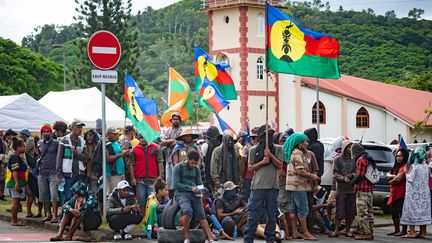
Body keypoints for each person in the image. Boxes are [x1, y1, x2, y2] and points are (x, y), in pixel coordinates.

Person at [243, 125, 283, 243]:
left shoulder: (278, 149)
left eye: (270, 134)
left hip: (272, 187)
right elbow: (250, 168)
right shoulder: (253, 150)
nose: (267, 137)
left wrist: (270, 156)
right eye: (265, 135)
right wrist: (263, 162)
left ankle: (270, 239)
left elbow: (280, 165)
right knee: (254, 215)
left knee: (271, 215)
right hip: (257, 187)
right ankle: (248, 239)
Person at [172, 150, 215, 243]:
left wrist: (201, 192)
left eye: (195, 163)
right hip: (182, 194)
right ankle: (187, 238)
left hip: (195, 194)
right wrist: (190, 188)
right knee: (187, 210)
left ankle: (210, 239)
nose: (193, 165)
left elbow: (200, 183)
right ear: (187, 159)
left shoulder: (196, 169)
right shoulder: (178, 167)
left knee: (201, 215)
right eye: (192, 163)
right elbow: (176, 184)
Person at [284, 132, 319, 240]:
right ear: (299, 143)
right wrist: (312, 176)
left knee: (293, 210)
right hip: (299, 186)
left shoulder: (291, 152)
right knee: (303, 209)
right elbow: (300, 171)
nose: (307, 143)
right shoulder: (298, 154)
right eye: (305, 141)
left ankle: (295, 232)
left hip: (291, 186)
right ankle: (305, 232)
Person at [401, 148, 431, 239]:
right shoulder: (426, 166)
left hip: (413, 194)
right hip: (424, 193)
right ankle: (422, 232)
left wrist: (406, 172)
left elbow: (410, 179)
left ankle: (412, 232)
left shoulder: (414, 166)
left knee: (412, 211)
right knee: (422, 212)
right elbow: (429, 176)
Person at [129, 133, 163, 213]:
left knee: (152, 200)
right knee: (141, 201)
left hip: (153, 178)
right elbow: (131, 164)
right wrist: (133, 178)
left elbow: (160, 162)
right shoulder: (134, 150)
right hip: (139, 179)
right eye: (141, 138)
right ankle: (143, 218)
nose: (143, 139)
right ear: (138, 139)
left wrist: (160, 175)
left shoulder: (156, 147)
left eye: (145, 137)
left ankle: (151, 218)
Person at [56, 120, 88, 204]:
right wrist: (59, 173)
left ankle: (76, 216)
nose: (80, 129)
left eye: (81, 127)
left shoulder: (82, 141)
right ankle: (65, 216)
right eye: (78, 127)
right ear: (72, 128)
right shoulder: (64, 140)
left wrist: (75, 153)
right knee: (68, 197)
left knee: (79, 198)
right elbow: (59, 157)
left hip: (79, 173)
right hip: (68, 174)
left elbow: (85, 157)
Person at [330, 140, 356, 238]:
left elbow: (357, 172)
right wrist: (342, 178)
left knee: (351, 210)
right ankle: (336, 230)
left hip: (352, 189)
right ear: (344, 147)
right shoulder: (337, 159)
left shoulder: (354, 160)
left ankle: (347, 230)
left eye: (351, 147)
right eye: (348, 147)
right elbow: (335, 173)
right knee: (340, 210)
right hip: (341, 189)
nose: (350, 149)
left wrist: (351, 175)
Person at [351, 143, 374, 240]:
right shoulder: (369, 158)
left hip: (362, 189)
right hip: (369, 189)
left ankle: (366, 233)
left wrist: (352, 183)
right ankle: (369, 230)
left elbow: (360, 175)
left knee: (362, 212)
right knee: (369, 211)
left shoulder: (360, 160)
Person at [38, 124, 60, 223]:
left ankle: (55, 215)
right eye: (44, 131)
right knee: (44, 195)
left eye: (48, 131)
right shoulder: (39, 143)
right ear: (41, 133)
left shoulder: (56, 143)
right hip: (42, 172)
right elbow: (38, 155)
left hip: (53, 172)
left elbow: (59, 156)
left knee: (54, 195)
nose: (46, 133)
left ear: (51, 133)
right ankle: (49, 214)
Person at [386, 148, 409, 236]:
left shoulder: (405, 166)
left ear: (405, 157)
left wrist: (393, 179)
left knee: (402, 213)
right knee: (394, 212)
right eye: (397, 156)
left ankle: (403, 231)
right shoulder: (395, 166)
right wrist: (394, 176)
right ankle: (396, 230)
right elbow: (387, 175)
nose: (399, 158)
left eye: (401, 156)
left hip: (402, 193)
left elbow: (398, 180)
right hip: (394, 193)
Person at [160, 112, 182, 198]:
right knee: (169, 181)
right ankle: (171, 200)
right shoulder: (167, 130)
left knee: (177, 180)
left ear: (179, 120)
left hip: (179, 159)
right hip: (168, 159)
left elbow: (179, 142)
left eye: (177, 119)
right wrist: (172, 141)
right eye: (174, 119)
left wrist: (168, 141)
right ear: (171, 120)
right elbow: (162, 142)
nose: (176, 121)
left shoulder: (181, 131)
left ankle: (178, 198)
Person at [6, 139, 28, 226]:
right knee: (15, 202)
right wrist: (17, 183)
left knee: (17, 201)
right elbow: (15, 171)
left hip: (18, 182)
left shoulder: (18, 157)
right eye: (23, 146)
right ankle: (14, 221)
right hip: (15, 182)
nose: (24, 148)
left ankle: (15, 220)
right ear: (18, 148)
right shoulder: (15, 157)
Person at [105, 127, 129, 193]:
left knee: (122, 194)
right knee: (114, 194)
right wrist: (121, 154)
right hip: (113, 174)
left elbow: (119, 153)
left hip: (121, 172)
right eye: (115, 134)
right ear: (109, 134)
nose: (117, 135)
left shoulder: (116, 143)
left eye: (117, 134)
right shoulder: (106, 144)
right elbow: (108, 159)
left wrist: (124, 151)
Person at [240, 127, 259, 202]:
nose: (253, 139)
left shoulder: (263, 147)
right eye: (252, 137)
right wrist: (243, 177)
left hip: (259, 177)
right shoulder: (246, 148)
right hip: (249, 177)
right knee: (249, 198)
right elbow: (243, 164)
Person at [201, 126, 221, 192]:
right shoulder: (222, 145)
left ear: (207, 136)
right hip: (220, 174)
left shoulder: (205, 145)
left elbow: (204, 161)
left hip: (208, 174)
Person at [83, 129, 100, 194]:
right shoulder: (83, 145)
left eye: (91, 135)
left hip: (94, 172)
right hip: (83, 172)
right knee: (83, 191)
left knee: (93, 190)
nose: (90, 137)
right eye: (88, 135)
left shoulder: (97, 146)